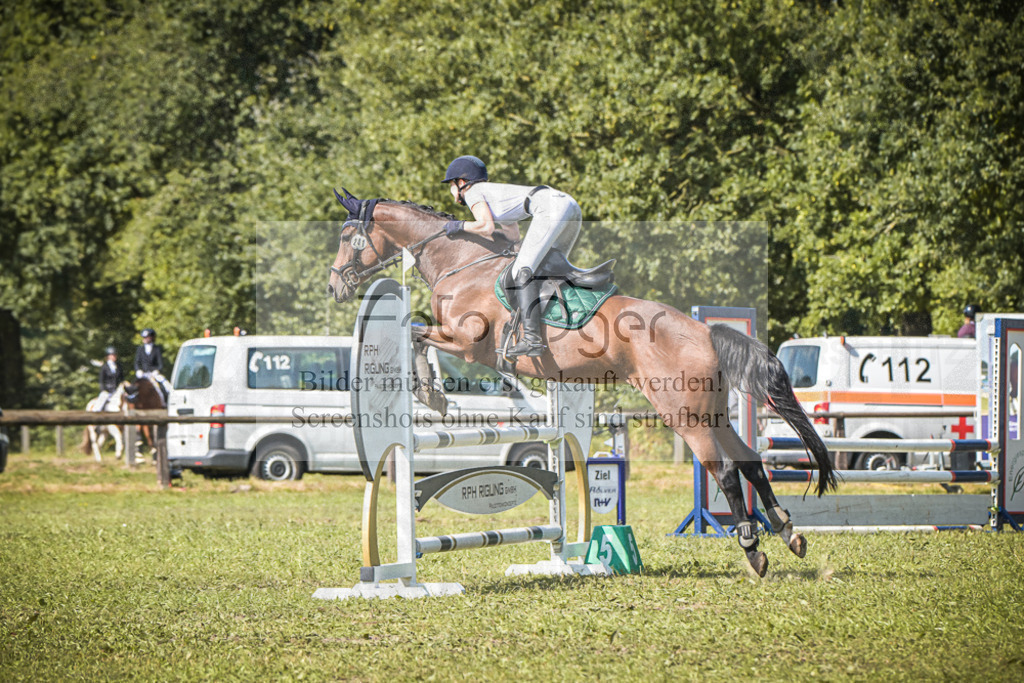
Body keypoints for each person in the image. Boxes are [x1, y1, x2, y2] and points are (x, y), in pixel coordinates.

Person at [441, 155, 582, 358]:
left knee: (521, 272)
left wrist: (459, 226)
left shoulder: (473, 192)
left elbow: (485, 225)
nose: (451, 191)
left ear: (461, 183)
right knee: (548, 267)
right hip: (568, 205)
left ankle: (532, 340)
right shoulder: (495, 194)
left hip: (551, 208)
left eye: (451, 186)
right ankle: (560, 321)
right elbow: (513, 237)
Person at [134, 328, 172, 397]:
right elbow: (137, 362)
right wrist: (138, 370)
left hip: (153, 374)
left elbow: (160, 364)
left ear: (151, 337)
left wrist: (156, 371)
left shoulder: (157, 349)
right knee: (132, 387)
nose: (144, 339)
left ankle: (166, 399)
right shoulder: (140, 349)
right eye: (144, 337)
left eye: (146, 337)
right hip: (143, 374)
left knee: (166, 385)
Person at [93, 346, 124, 411]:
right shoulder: (104, 367)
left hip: (117, 390)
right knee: (100, 402)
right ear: (108, 356)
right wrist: (103, 390)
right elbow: (101, 380)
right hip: (107, 390)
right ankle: (95, 413)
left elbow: (121, 378)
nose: (114, 356)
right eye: (112, 355)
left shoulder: (118, 366)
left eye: (115, 355)